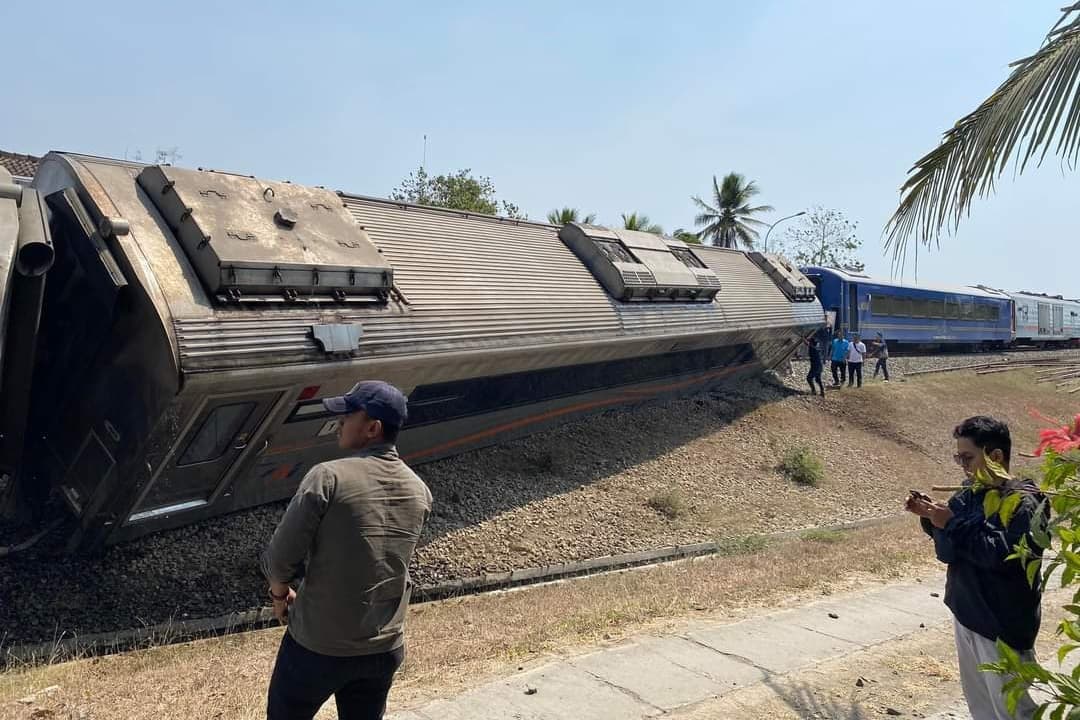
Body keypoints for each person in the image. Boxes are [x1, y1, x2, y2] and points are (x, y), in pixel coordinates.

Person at [263, 381, 432, 720]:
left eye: (348, 415)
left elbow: (280, 559)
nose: (339, 422)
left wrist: (280, 596)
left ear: (373, 428)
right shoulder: (419, 491)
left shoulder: (327, 477)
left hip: (317, 647)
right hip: (384, 647)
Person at [905, 416, 1045, 720]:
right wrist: (931, 516)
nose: (962, 466)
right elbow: (950, 550)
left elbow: (1004, 557)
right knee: (982, 709)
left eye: (967, 458)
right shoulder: (970, 493)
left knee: (1014, 713)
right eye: (959, 458)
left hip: (1001, 628)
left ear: (995, 456)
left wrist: (950, 524)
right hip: (968, 615)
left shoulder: (1025, 502)